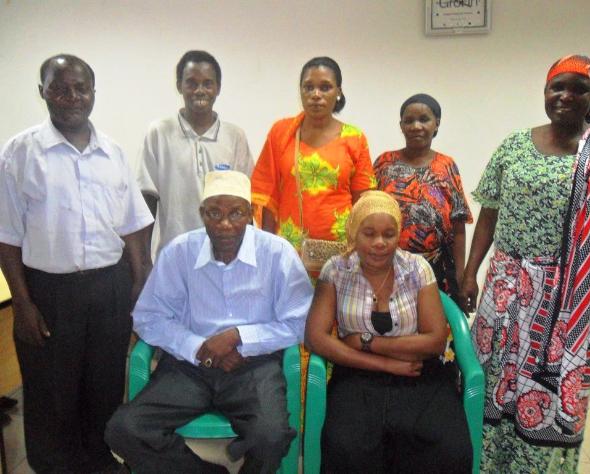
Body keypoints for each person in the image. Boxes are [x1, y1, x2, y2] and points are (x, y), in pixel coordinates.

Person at [459, 55, 590, 473]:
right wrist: (469, 273)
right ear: (545, 91)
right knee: (491, 381)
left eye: (579, 89)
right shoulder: (514, 145)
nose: (565, 96)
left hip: (570, 302)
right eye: (558, 87)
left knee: (551, 398)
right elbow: (489, 213)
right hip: (505, 291)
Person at [0, 54, 153, 473]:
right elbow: (6, 237)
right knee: (52, 390)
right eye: (60, 88)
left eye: (81, 88)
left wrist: (139, 283)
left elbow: (134, 225)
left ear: (93, 93)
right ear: (43, 93)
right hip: (49, 292)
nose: (72, 97)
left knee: (103, 383)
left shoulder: (113, 153)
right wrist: (22, 304)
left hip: (109, 287)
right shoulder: (19, 154)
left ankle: (99, 461)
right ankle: (54, 466)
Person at [105, 171, 314, 474]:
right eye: (214, 213)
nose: (225, 224)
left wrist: (239, 338)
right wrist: (200, 347)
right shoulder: (179, 252)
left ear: (250, 214)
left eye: (236, 213)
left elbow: (300, 321)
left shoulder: (277, 253)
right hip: (188, 367)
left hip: (253, 366)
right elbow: (148, 317)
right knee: (124, 430)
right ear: (202, 213)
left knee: (270, 437)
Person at [305, 191, 472, 474]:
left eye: (389, 234)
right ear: (354, 233)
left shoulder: (417, 268)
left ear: (399, 235)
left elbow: (434, 341)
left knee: (448, 447)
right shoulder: (336, 270)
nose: (380, 243)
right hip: (357, 374)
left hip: (418, 372)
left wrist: (368, 342)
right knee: (346, 446)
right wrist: (386, 364)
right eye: (369, 234)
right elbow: (315, 338)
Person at [250, 56, 376, 396]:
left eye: (325, 87)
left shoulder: (354, 138)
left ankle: (330, 404)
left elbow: (365, 203)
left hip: (342, 258)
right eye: (309, 87)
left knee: (337, 330)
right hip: (289, 255)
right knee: (292, 330)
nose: (316, 94)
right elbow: (266, 195)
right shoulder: (282, 132)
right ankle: (293, 406)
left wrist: (361, 254)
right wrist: (267, 251)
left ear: (338, 92)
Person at [137, 50, 253, 256]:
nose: (200, 90)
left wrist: (247, 253)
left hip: (224, 256)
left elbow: (245, 202)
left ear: (218, 88)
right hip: (174, 254)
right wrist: (144, 259)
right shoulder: (159, 133)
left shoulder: (235, 136)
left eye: (208, 83)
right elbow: (146, 201)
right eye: (191, 83)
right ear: (179, 86)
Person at [374, 93, 472, 298]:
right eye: (409, 121)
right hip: (387, 266)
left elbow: (458, 227)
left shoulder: (446, 166)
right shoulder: (385, 162)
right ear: (401, 126)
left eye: (424, 119)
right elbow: (367, 214)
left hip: (438, 272)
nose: (416, 126)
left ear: (437, 124)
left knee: (434, 318)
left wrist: (460, 275)